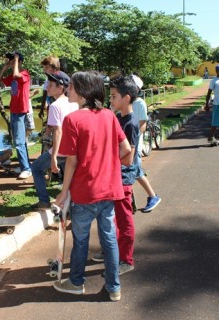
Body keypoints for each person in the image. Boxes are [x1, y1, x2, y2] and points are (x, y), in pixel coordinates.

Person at [53, 71, 132, 301]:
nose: (68, 89)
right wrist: (108, 163)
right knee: (108, 238)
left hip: (85, 192)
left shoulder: (73, 120)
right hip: (109, 190)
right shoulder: (109, 115)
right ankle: (114, 287)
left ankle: (76, 282)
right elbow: (126, 148)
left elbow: (71, 161)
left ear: (83, 91)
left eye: (71, 86)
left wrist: (63, 191)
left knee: (81, 239)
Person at [92, 76, 139, 275]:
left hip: (123, 179)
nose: (110, 100)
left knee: (124, 220)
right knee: (111, 218)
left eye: (113, 96)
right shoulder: (118, 117)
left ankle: (125, 260)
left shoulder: (131, 123)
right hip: (113, 176)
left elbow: (129, 157)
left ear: (126, 98)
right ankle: (112, 251)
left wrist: (107, 157)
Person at [31, 71, 78, 210]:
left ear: (60, 88)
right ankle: (71, 204)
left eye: (51, 85)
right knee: (68, 177)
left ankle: (44, 201)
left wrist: (53, 157)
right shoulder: (74, 103)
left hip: (61, 150)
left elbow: (58, 132)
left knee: (36, 168)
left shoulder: (55, 106)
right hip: (73, 149)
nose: (47, 87)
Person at [0, 51, 31, 179]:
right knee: (20, 140)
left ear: (20, 62)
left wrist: (16, 60)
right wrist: (4, 68)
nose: (10, 62)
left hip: (21, 111)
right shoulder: (13, 76)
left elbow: (17, 74)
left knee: (19, 141)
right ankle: (24, 166)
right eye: (10, 60)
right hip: (14, 110)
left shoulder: (25, 74)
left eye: (13, 60)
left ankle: (26, 169)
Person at [131, 74, 161, 212]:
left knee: (136, 172)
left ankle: (153, 196)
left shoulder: (139, 103)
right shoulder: (125, 101)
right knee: (127, 174)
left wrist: (133, 142)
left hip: (133, 145)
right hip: (125, 145)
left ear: (136, 89)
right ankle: (130, 202)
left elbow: (142, 125)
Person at [205, 65, 219, 143]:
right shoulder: (214, 81)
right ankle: (210, 136)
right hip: (217, 104)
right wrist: (207, 104)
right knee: (215, 122)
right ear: (216, 71)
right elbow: (209, 93)